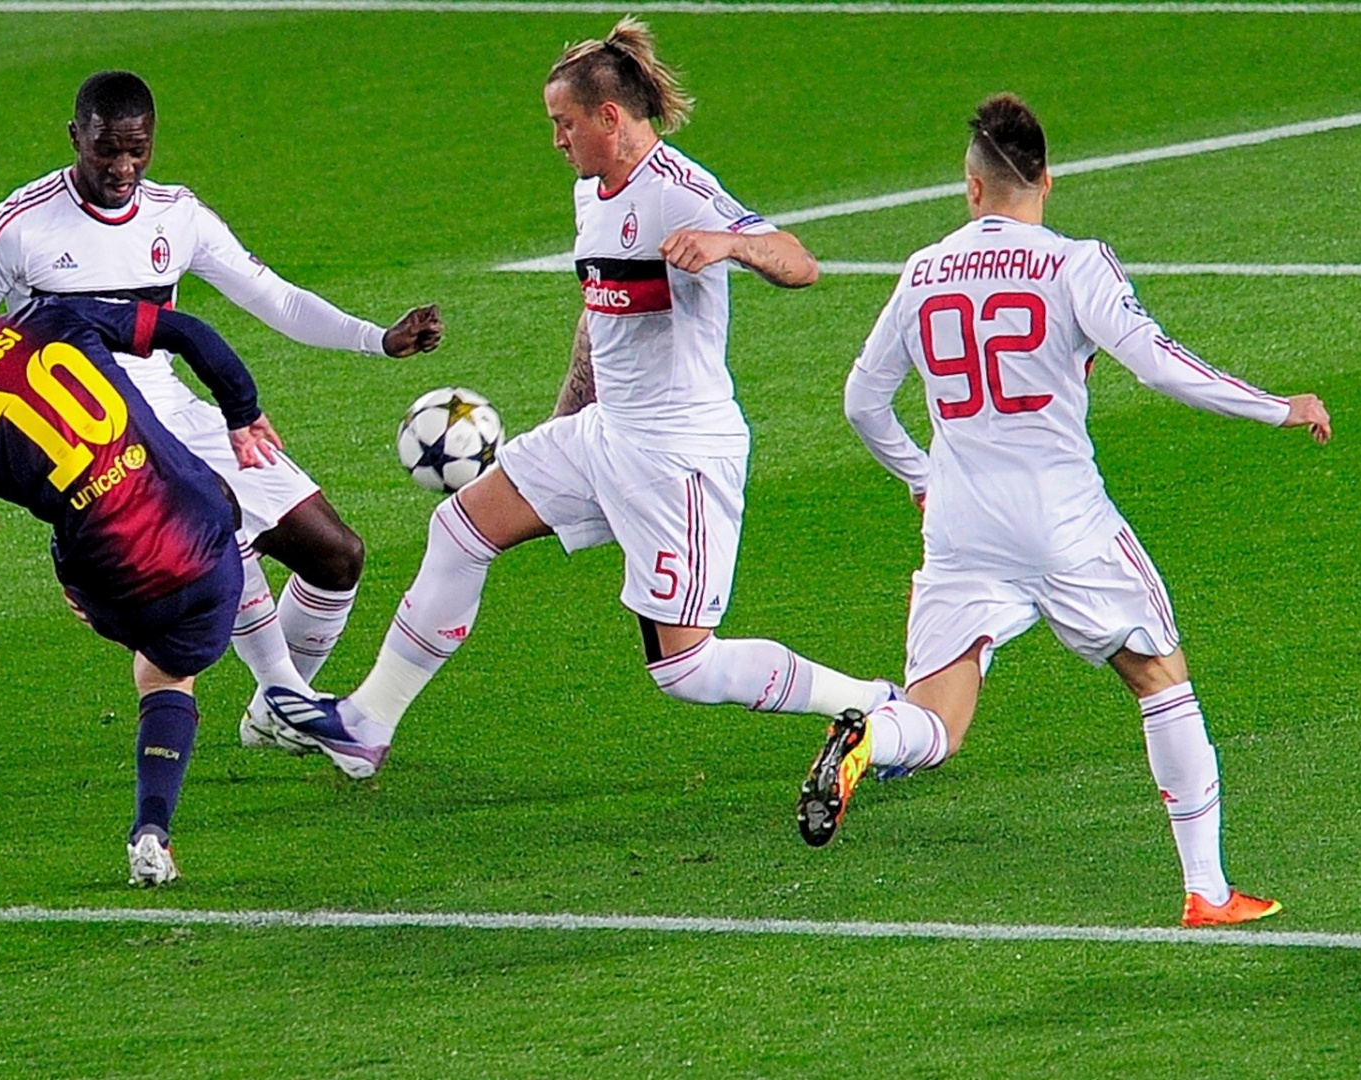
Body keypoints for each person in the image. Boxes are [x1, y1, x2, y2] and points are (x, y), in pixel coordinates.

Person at [263, 19, 894, 776]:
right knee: (460, 529)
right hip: (603, 435)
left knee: (684, 669)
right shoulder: (591, 196)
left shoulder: (679, 194)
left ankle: (872, 703)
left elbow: (799, 263)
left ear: (609, 117)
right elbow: (599, 318)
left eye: (564, 124)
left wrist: (730, 245)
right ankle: (367, 723)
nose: (557, 140)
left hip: (676, 456)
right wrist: (563, 424)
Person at [807, 94, 1332, 928]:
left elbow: (862, 402)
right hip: (1063, 521)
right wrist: (1276, 406)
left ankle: (871, 738)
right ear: (1046, 180)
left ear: (971, 189)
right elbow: (1159, 366)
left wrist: (921, 475)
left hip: (962, 529)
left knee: (936, 722)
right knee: (1159, 678)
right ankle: (1207, 888)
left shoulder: (922, 271)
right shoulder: (1074, 263)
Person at [0, 70, 444, 749]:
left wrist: (377, 339)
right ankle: (287, 692)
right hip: (99, 432)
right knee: (214, 511)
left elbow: (271, 296)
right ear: (76, 138)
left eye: (138, 149)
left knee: (337, 557)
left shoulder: (175, 216)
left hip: (176, 408)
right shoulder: (20, 225)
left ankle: (278, 710)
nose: (123, 167)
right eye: (107, 150)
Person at [0, 258, 274, 887]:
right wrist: (242, 410)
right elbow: (188, 331)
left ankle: (152, 822)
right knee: (173, 659)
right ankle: (170, 807)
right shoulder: (53, 315)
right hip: (203, 535)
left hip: (118, 581)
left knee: (153, 658)